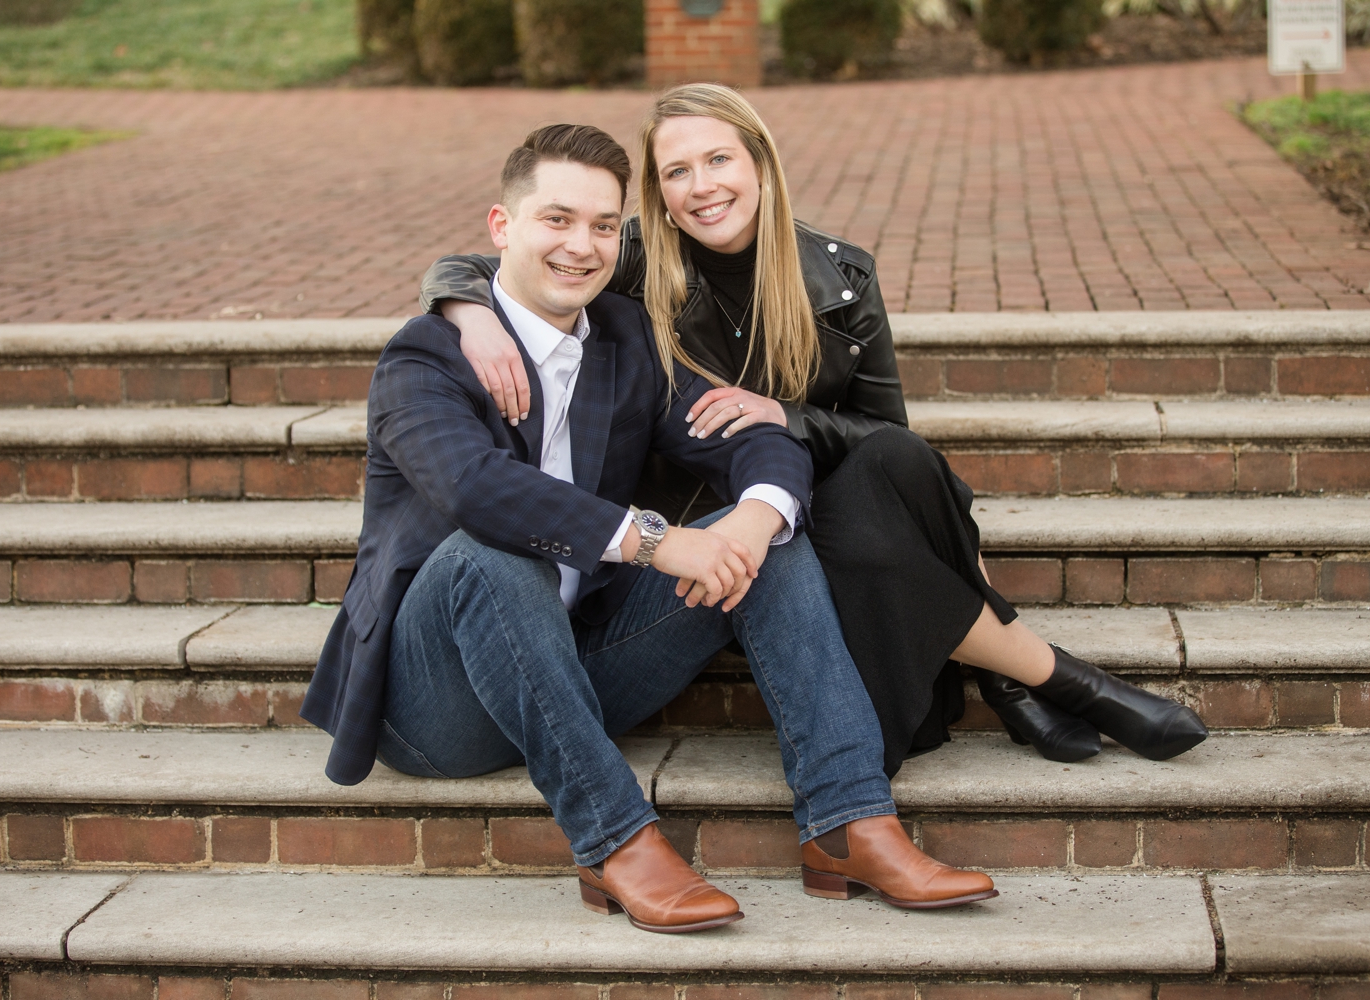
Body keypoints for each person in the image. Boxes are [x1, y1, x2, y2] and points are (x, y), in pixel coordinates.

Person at [302, 123, 1000, 936]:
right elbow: (480, 492)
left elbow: (748, 433)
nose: (583, 246)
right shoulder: (422, 361)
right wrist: (661, 540)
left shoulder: (626, 338)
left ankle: (851, 826)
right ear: (502, 229)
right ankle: (618, 842)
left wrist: (751, 515)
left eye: (603, 225)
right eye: (557, 220)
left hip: (583, 664)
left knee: (764, 538)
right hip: (435, 706)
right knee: (490, 556)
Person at [419, 85, 1209, 773]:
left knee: (896, 466)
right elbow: (492, 256)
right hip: (716, 535)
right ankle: (1042, 676)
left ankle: (1020, 678)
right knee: (861, 522)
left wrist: (787, 418)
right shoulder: (624, 260)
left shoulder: (841, 276)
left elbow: (885, 433)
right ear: (656, 196)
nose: (703, 187)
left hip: (824, 505)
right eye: (676, 172)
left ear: (760, 163)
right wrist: (465, 311)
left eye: (720, 160)